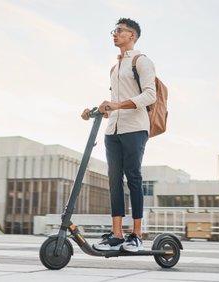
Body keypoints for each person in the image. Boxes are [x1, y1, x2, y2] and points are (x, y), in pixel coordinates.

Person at [81, 18, 156, 252]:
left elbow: (150, 96)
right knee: (114, 180)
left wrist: (117, 106)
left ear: (132, 35)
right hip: (112, 129)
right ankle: (116, 234)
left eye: (120, 31)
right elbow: (113, 104)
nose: (115, 34)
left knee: (133, 177)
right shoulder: (114, 68)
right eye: (114, 31)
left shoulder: (141, 61)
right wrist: (96, 111)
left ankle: (136, 234)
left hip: (135, 128)